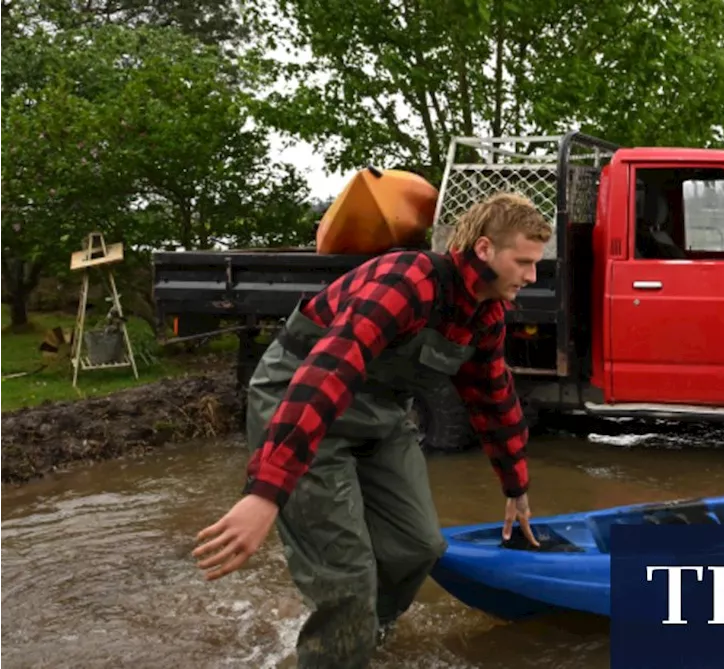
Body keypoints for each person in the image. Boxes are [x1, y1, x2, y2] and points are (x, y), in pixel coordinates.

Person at [192, 192, 548, 667]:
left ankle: (359, 637)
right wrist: (265, 494)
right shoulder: (408, 281)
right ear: (484, 250)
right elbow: (327, 375)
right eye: (523, 262)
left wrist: (516, 487)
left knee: (420, 546)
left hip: (378, 412)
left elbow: (494, 399)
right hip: (300, 399)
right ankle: (342, 633)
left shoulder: (485, 315)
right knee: (346, 578)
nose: (532, 276)